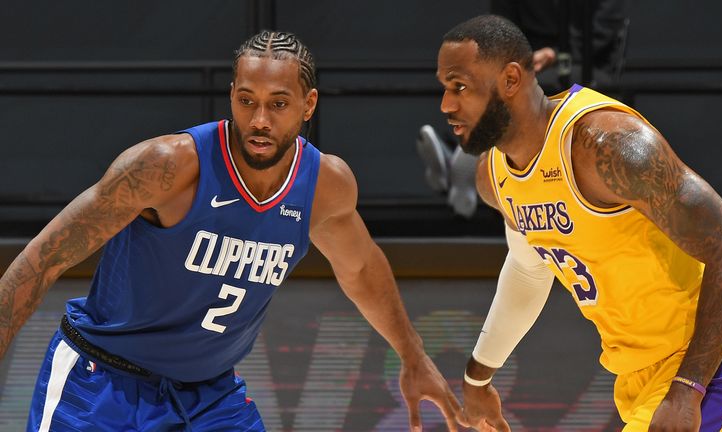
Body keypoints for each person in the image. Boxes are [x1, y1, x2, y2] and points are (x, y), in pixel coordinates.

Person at [0, 30, 465, 432]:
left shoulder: (325, 185)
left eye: (278, 104)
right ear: (232, 97)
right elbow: (44, 259)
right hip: (101, 381)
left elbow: (361, 268)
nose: (259, 120)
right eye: (247, 101)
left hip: (209, 395)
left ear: (309, 105)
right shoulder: (166, 166)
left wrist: (412, 354)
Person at [435, 15, 722, 431]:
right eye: (445, 88)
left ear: (511, 79)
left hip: (717, 361)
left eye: (459, 86)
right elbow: (528, 268)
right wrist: (478, 376)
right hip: (637, 379)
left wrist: (687, 389)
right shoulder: (495, 178)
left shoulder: (608, 147)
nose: (446, 104)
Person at [418, 0, 630, 219]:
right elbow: (500, 31)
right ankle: (466, 161)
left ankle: (462, 158)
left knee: (518, 87)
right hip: (526, 65)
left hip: (586, 69)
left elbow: (603, 32)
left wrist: (556, 53)